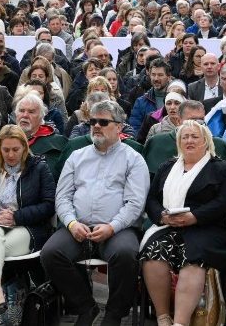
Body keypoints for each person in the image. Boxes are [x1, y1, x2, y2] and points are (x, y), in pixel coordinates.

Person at [42, 100, 149, 326]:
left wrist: (112, 226)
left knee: (125, 254)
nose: (96, 126)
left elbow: (135, 203)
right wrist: (71, 223)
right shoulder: (77, 156)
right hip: (78, 227)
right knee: (51, 253)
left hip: (118, 228)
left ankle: (114, 313)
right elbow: (61, 197)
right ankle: (85, 306)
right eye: (92, 121)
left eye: (103, 121)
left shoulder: (133, 159)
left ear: (119, 127)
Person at [141, 120, 226, 326]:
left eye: (194, 137)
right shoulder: (167, 167)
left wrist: (195, 217)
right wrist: (163, 217)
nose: (189, 140)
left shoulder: (219, 168)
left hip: (206, 228)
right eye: (185, 137)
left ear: (205, 141)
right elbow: (151, 200)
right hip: (168, 227)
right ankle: (163, 317)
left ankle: (180, 323)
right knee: (153, 252)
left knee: (193, 258)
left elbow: (224, 201)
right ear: (179, 141)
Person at [0, 125, 56, 326]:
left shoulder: (39, 167)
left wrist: (18, 217)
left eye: (15, 149)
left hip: (26, 228)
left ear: (25, 148)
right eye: (5, 150)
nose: (10, 154)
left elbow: (49, 204)